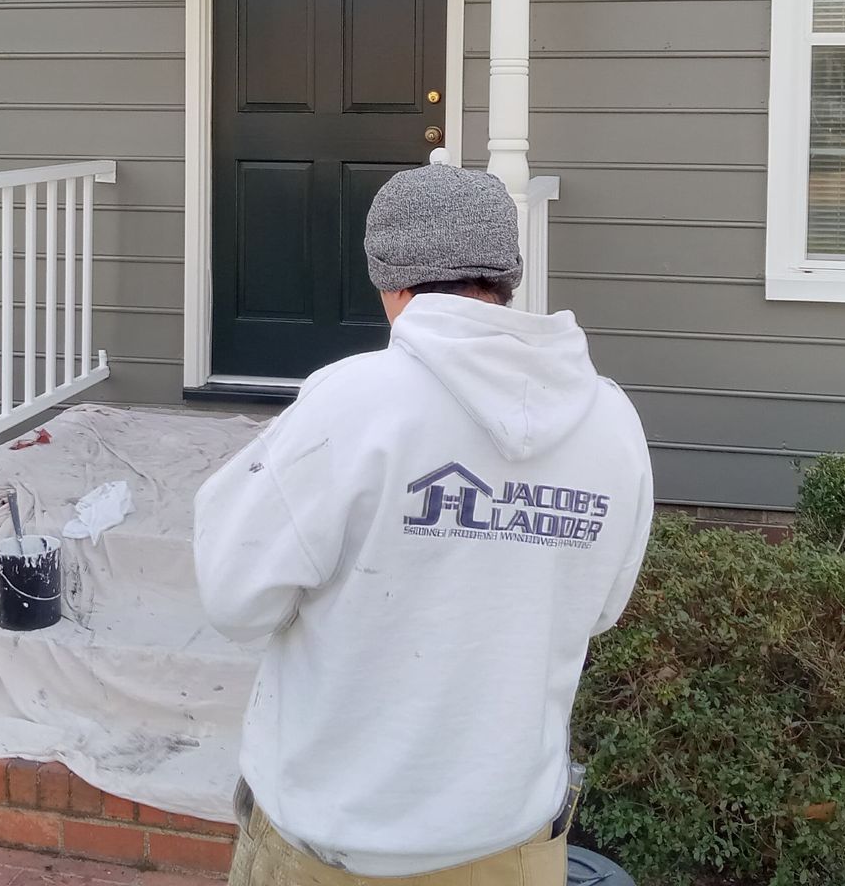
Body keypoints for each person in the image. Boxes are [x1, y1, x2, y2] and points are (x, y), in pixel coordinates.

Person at [194, 165, 653, 886]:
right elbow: (599, 610)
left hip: (331, 852)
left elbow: (233, 598)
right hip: (512, 850)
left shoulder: (349, 406)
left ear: (388, 277)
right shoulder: (611, 422)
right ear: (508, 273)